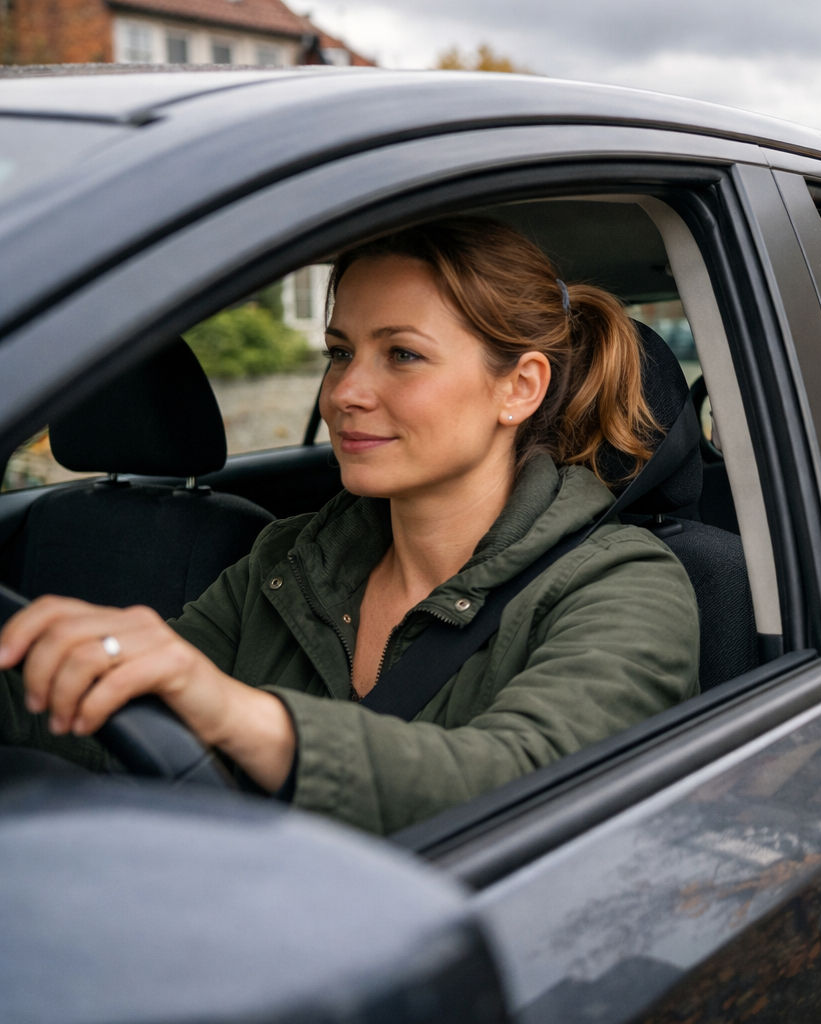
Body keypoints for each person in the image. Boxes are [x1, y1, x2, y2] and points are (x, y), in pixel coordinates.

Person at [0, 217, 701, 835]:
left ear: (519, 387)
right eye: (340, 352)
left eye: (402, 354)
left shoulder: (624, 585)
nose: (343, 393)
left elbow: (519, 783)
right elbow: (114, 716)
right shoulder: (287, 562)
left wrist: (235, 712)